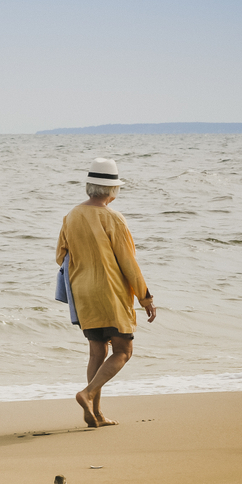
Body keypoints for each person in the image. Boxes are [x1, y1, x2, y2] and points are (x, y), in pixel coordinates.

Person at [55, 158, 156, 427]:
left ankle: (96, 414)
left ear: (90, 187)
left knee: (96, 352)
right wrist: (145, 297)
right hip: (110, 291)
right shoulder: (113, 218)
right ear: (112, 191)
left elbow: (60, 256)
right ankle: (87, 394)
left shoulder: (71, 216)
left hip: (82, 292)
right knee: (123, 351)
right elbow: (128, 261)